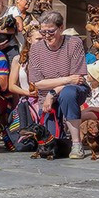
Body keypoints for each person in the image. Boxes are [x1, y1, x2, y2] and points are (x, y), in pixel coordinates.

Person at [27, 11, 89, 158]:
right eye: (43, 32)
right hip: (47, 97)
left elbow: (77, 79)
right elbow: (37, 83)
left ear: (61, 28)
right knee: (52, 141)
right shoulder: (36, 49)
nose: (46, 35)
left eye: (51, 31)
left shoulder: (74, 43)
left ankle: (76, 144)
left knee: (68, 94)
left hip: (73, 91)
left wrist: (53, 92)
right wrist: (65, 81)